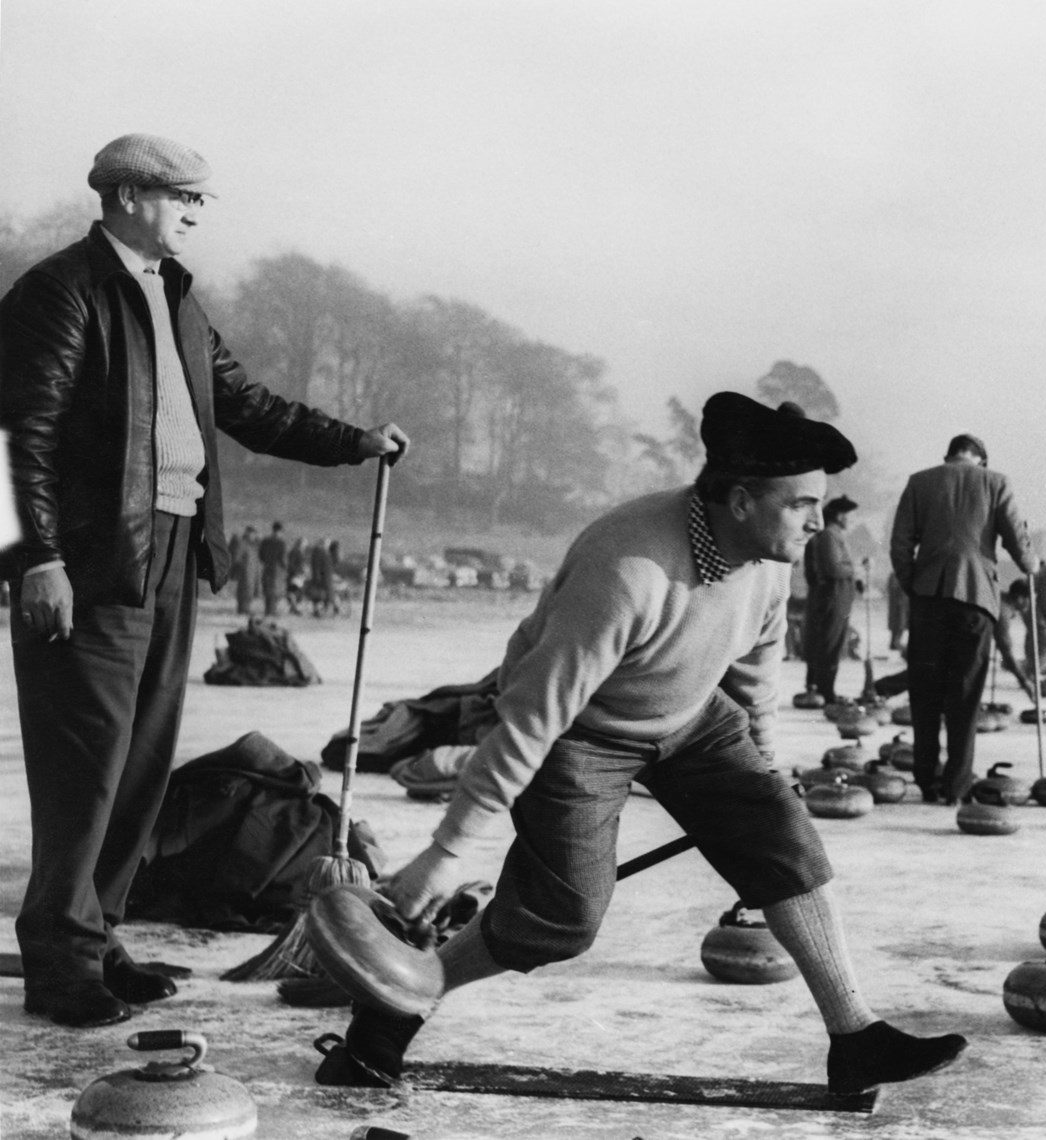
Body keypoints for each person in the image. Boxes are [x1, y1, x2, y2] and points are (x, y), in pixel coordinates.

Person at [313, 393, 967, 1096]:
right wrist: (445, 855)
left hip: (691, 716)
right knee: (559, 920)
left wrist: (767, 771)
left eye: (820, 503)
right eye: (801, 503)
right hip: (579, 731)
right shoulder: (626, 568)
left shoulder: (774, 556)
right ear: (741, 501)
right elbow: (532, 718)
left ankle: (855, 1038)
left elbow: (753, 669)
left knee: (787, 843)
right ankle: (398, 1000)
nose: (818, 520)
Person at [0, 133, 409, 1028]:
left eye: (200, 198)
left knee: (141, 764)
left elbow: (248, 405)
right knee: (86, 768)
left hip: (174, 552)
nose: (197, 212)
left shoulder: (174, 294)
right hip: (96, 562)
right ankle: (61, 960)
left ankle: (98, 937)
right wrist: (35, 558)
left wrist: (356, 442)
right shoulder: (60, 292)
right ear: (128, 194)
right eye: (184, 196)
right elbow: (14, 439)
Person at [890, 434, 1036, 805]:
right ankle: (956, 787)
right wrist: (1030, 565)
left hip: (928, 598)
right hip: (976, 599)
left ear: (949, 456)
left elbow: (900, 544)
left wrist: (914, 584)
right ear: (980, 460)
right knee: (965, 695)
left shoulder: (920, 481)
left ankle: (926, 778)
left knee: (925, 691)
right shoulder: (996, 482)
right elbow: (1017, 538)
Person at [802, 495, 859, 702]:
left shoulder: (832, 534)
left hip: (836, 595)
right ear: (840, 515)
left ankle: (819, 687)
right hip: (834, 595)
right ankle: (826, 691)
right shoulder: (829, 536)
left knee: (826, 640)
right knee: (829, 642)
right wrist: (856, 570)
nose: (853, 519)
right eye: (851, 515)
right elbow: (834, 567)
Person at [258, 520, 289, 617]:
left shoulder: (265, 541)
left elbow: (261, 556)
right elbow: (283, 559)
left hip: (267, 568)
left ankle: (268, 611)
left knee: (267, 591)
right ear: (280, 531)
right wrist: (286, 567)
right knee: (276, 592)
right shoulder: (281, 543)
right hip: (277, 570)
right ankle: (272, 612)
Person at [233, 524, 261, 615]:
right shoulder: (243, 543)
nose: (253, 536)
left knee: (250, 590)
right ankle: (242, 609)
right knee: (244, 590)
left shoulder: (254, 545)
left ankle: (246, 608)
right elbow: (237, 558)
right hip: (245, 571)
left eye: (254, 534)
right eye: (251, 534)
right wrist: (241, 568)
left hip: (253, 571)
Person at [885, 571, 908, 654]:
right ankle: (895, 643)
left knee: (900, 624)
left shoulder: (896, 574)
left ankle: (894, 643)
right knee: (899, 624)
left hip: (902, 604)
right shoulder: (895, 575)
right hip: (899, 606)